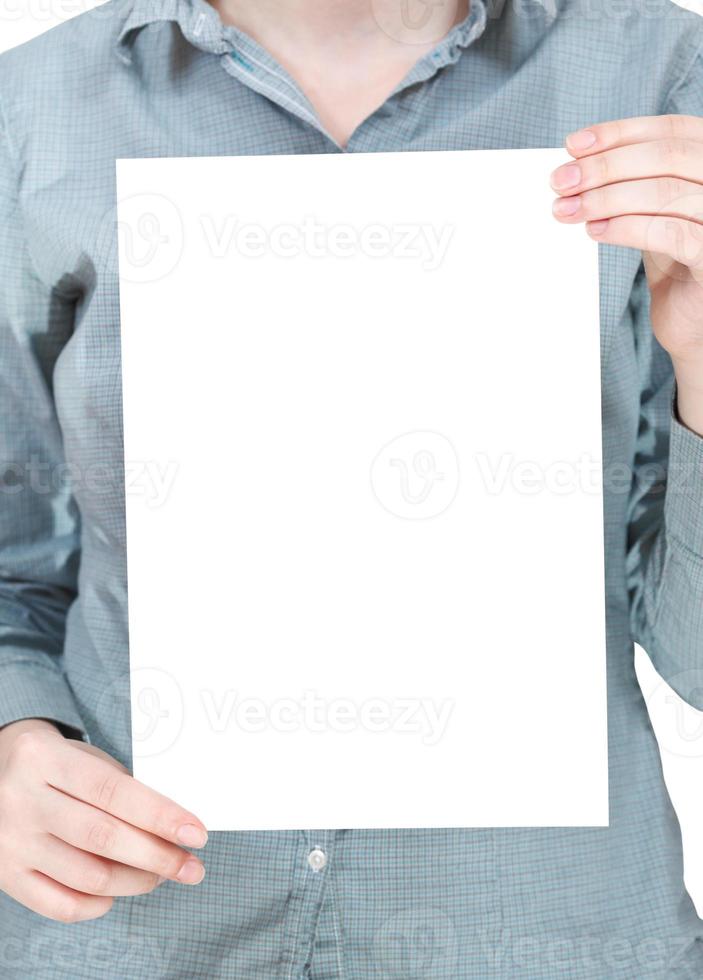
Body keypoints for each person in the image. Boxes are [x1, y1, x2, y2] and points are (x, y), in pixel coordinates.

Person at [1, 0, 703, 976]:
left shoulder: (663, 77)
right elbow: (10, 560)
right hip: (132, 931)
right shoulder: (32, 107)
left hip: (543, 936)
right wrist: (8, 741)